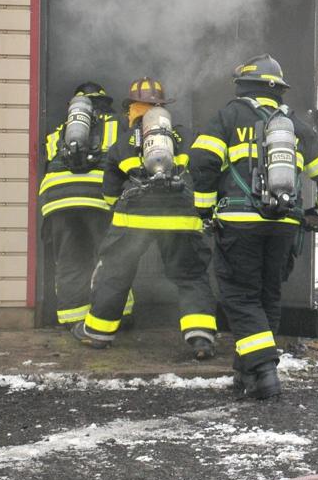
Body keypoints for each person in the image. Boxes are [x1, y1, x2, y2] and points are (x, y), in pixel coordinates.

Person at [190, 54, 318, 400]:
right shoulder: (297, 127)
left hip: (239, 223)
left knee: (241, 298)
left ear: (243, 86)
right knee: (265, 296)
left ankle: (266, 372)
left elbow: (202, 161)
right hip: (283, 225)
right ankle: (247, 373)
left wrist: (204, 209)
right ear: (278, 91)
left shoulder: (229, 116)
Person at [71, 78, 217, 359]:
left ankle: (98, 333)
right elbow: (201, 172)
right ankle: (201, 338)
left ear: (134, 109)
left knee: (114, 274)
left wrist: (121, 208)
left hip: (134, 218)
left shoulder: (123, 142)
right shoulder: (183, 136)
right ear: (162, 108)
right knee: (191, 276)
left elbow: (111, 194)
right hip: (181, 218)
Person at [39, 82, 120, 330]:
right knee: (112, 259)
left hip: (59, 199)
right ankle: (118, 316)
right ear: (103, 102)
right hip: (98, 197)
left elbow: (48, 161)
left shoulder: (60, 130)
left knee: (70, 260)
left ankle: (73, 319)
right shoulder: (117, 125)